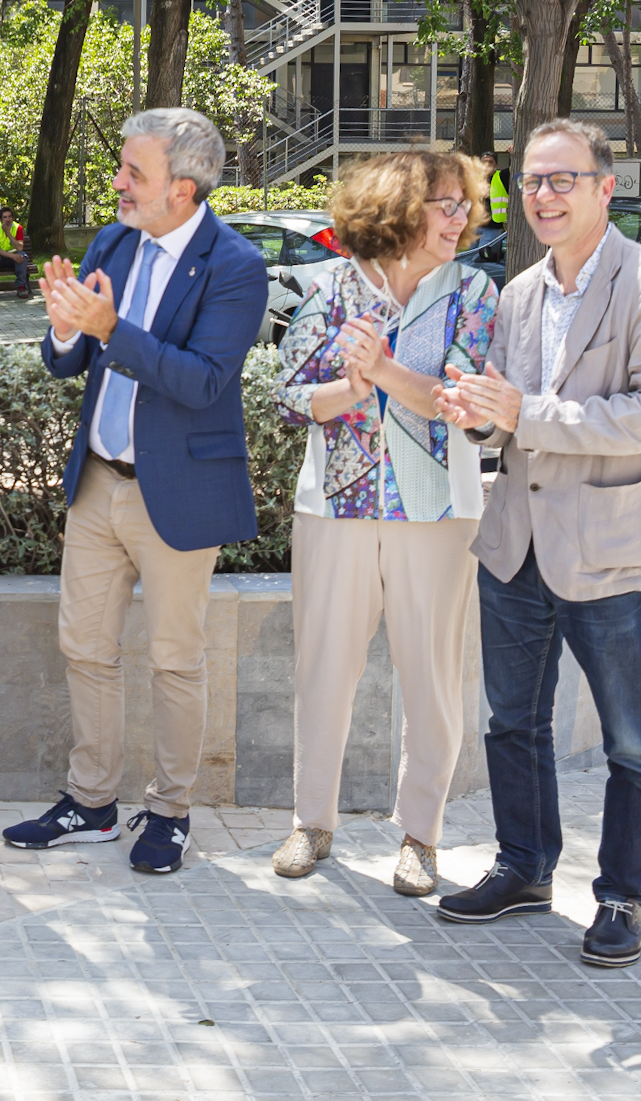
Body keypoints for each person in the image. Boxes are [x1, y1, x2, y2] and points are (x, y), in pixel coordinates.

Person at [437, 118, 641, 969]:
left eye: (562, 179)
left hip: (614, 549)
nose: (542, 195)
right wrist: (478, 417)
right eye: (530, 181)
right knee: (512, 722)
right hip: (517, 542)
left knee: (635, 741)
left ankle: (624, 895)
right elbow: (506, 417)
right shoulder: (519, 293)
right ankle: (524, 865)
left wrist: (525, 414)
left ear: (605, 187)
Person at [2, 108, 268, 873]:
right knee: (84, 646)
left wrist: (109, 327)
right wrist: (66, 328)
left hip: (178, 493)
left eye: (133, 172)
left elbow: (203, 379)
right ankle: (90, 802)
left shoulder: (235, 265)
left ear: (182, 188)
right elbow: (69, 360)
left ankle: (171, 810)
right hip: (97, 482)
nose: (117, 181)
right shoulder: (114, 241)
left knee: (175, 659)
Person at [271, 151, 499, 898]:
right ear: (398, 210)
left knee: (431, 679)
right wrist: (350, 387)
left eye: (464, 204)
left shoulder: (474, 292)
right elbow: (290, 395)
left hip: (438, 511)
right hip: (333, 506)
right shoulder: (333, 286)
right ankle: (311, 822)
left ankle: (420, 837)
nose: (460, 217)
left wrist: (384, 369)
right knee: (323, 670)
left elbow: (459, 401)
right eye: (444, 204)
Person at [0, 204, 33, 296]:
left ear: (13, 218)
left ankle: (21, 287)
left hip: (13, 259)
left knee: (22, 256)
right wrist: (12, 256)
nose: (7, 219)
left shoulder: (18, 228)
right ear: (1, 219)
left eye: (9, 217)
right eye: (5, 217)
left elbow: (20, 247)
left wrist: (8, 233)